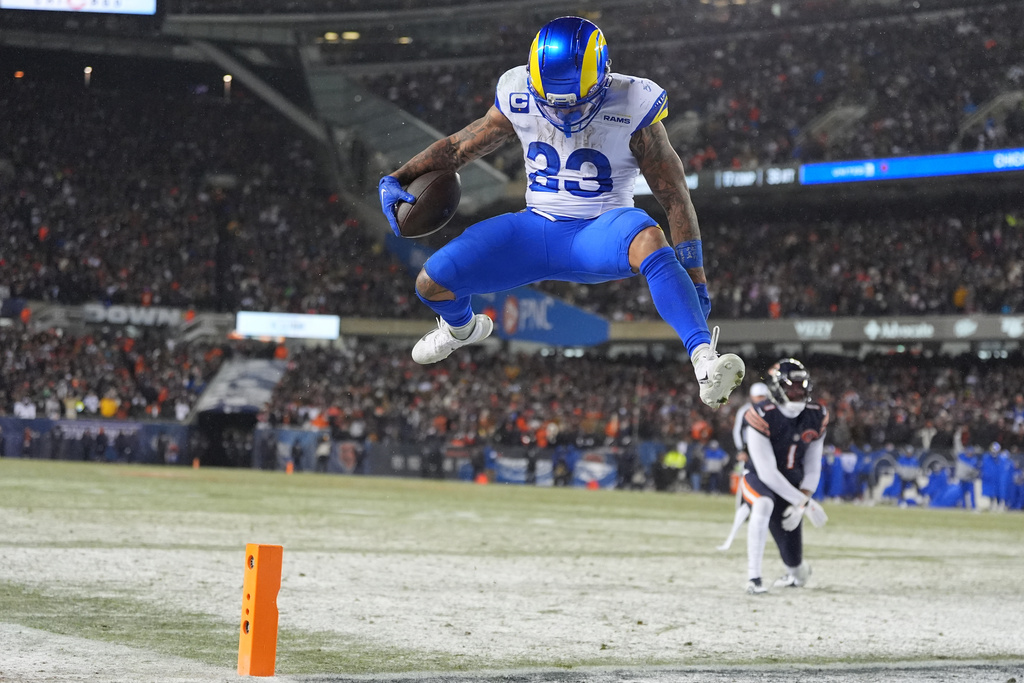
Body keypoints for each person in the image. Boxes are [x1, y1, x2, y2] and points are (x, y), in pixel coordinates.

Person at [378, 16, 744, 410]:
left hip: (601, 231)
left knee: (649, 236)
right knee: (430, 283)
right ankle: (462, 328)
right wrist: (398, 176)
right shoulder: (518, 91)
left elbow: (673, 196)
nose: (561, 114)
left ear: (602, 79)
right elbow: (458, 148)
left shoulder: (633, 103)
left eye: (572, 103)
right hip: (534, 229)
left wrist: (695, 273)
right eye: (549, 102)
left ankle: (704, 359)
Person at [739, 359, 829, 595]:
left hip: (792, 487)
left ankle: (794, 571)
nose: (797, 392)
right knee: (763, 503)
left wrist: (803, 499)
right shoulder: (761, 413)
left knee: (797, 568)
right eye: (791, 387)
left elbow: (812, 466)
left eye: (801, 386)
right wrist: (805, 503)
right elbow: (767, 472)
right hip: (758, 478)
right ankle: (754, 578)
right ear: (778, 388)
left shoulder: (817, 414)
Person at [718, 382, 771, 551]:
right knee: (745, 484)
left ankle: (761, 512)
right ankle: (742, 513)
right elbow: (738, 431)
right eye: (758, 397)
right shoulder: (746, 411)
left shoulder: (771, 410)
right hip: (749, 452)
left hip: (766, 452)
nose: (761, 400)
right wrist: (741, 449)